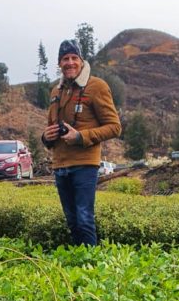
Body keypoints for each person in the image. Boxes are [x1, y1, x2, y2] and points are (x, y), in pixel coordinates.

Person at [42, 40, 121, 246]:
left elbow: (114, 127)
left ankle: (91, 268)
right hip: (60, 165)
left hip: (85, 164)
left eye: (73, 58)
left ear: (81, 60)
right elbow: (51, 127)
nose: (69, 63)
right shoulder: (55, 92)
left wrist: (80, 137)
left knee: (85, 219)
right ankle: (78, 265)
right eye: (65, 59)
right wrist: (46, 137)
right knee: (72, 221)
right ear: (59, 64)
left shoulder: (97, 86)